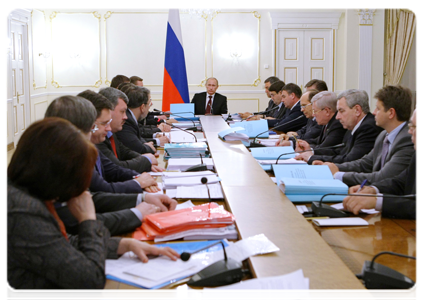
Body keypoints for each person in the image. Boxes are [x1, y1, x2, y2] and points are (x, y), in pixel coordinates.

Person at [5, 118, 179, 300]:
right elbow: (91, 280)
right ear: (55, 171)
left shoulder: (22, 191)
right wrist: (88, 220)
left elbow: (60, 244)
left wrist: (122, 245)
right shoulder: (22, 211)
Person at [44, 96, 177, 235]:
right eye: (96, 126)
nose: (108, 129)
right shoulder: (55, 165)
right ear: (74, 131)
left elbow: (91, 198)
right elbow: (73, 222)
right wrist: (136, 214)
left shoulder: (67, 154)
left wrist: (143, 198)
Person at [322, 85, 414, 186]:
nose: (374, 113)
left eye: (378, 109)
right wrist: (332, 167)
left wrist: (338, 174)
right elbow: (364, 164)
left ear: (391, 113)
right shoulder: (383, 135)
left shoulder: (407, 139)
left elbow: (383, 177)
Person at [343, 105, 420, 219]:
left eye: (413, 126)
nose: (409, 131)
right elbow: (399, 183)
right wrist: (372, 190)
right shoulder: (418, 156)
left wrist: (376, 201)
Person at [77, 90, 159, 194]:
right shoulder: (79, 150)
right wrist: (138, 184)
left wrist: (140, 178)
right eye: (104, 123)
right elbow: (101, 191)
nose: (108, 128)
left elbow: (113, 169)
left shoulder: (93, 143)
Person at [297, 89, 382, 164]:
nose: (337, 117)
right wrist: (311, 152)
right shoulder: (352, 126)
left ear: (357, 110)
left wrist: (311, 157)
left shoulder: (368, 128)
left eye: (341, 111)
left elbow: (350, 160)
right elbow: (340, 151)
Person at [97, 87, 165, 173]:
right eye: (122, 111)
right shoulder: (98, 138)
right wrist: (146, 160)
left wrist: (145, 159)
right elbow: (116, 169)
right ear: (108, 110)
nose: (125, 117)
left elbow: (124, 152)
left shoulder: (110, 132)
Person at [116, 85, 165, 154]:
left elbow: (138, 139)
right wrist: (151, 145)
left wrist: (146, 144)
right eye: (149, 104)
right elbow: (139, 148)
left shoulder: (132, 118)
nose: (149, 108)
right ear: (142, 107)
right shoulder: (127, 120)